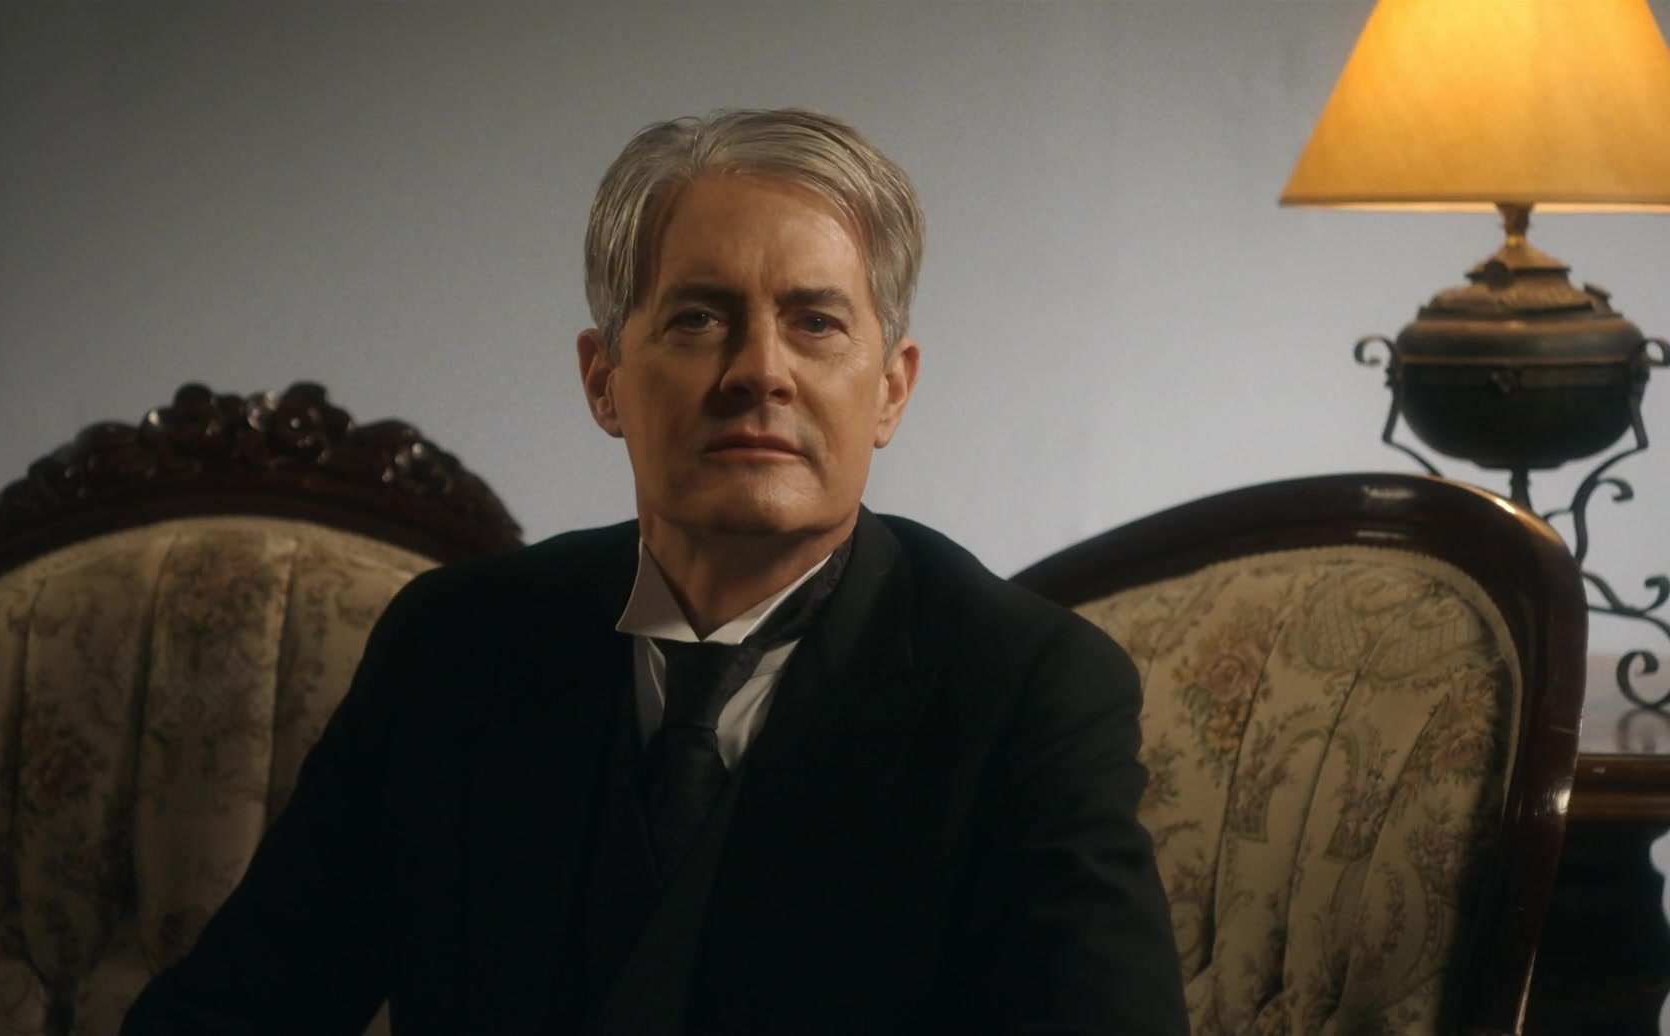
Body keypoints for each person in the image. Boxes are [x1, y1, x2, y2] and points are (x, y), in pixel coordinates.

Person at [122, 107, 1189, 1035]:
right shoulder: (452, 650)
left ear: (891, 390)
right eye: (699, 317)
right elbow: (232, 1014)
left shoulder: (1027, 690)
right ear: (605, 379)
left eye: (816, 322)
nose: (760, 371)